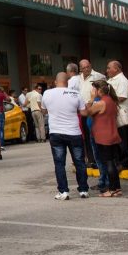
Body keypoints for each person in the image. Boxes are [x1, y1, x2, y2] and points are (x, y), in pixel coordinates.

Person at [42, 72, 90, 200]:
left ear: (55, 82)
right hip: (74, 133)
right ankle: (83, 190)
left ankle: (63, 192)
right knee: (79, 162)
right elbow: (84, 113)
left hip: (56, 133)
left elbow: (44, 110)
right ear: (67, 82)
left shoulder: (47, 93)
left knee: (59, 163)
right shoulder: (75, 93)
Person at [86, 80, 123, 197]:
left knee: (108, 163)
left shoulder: (101, 103)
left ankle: (111, 189)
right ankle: (117, 188)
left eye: (94, 89)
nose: (92, 91)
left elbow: (87, 112)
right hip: (112, 135)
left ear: (99, 90)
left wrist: (91, 99)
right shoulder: (112, 100)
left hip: (104, 137)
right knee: (112, 162)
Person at [78, 60, 107, 189]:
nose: (86, 69)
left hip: (97, 128)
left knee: (101, 156)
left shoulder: (99, 101)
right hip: (91, 126)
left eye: (88, 67)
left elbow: (88, 111)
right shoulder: (77, 79)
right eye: (83, 67)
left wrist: (90, 100)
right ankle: (103, 180)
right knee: (95, 153)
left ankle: (105, 182)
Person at [106, 61, 128, 169]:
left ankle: (124, 163)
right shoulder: (111, 80)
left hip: (121, 114)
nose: (107, 70)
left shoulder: (122, 80)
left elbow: (122, 97)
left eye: (109, 68)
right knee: (116, 141)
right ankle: (117, 162)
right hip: (113, 114)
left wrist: (107, 102)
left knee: (122, 141)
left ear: (116, 69)